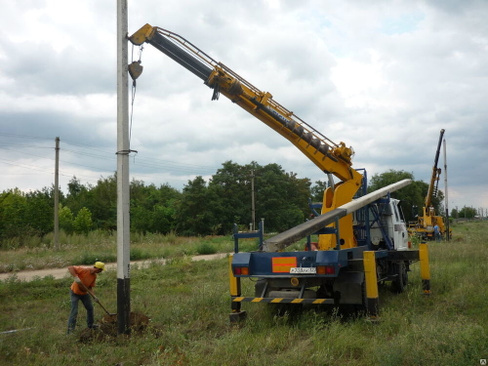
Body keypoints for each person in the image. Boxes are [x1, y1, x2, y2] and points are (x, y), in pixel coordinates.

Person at [67, 261, 105, 334]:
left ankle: (90, 325)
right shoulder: (84, 269)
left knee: (90, 308)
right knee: (74, 311)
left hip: (84, 293)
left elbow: (90, 287)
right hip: (75, 292)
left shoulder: (94, 276)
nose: (100, 271)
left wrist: (94, 296)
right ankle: (70, 331)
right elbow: (70, 267)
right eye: (100, 270)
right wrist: (76, 277)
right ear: (96, 268)